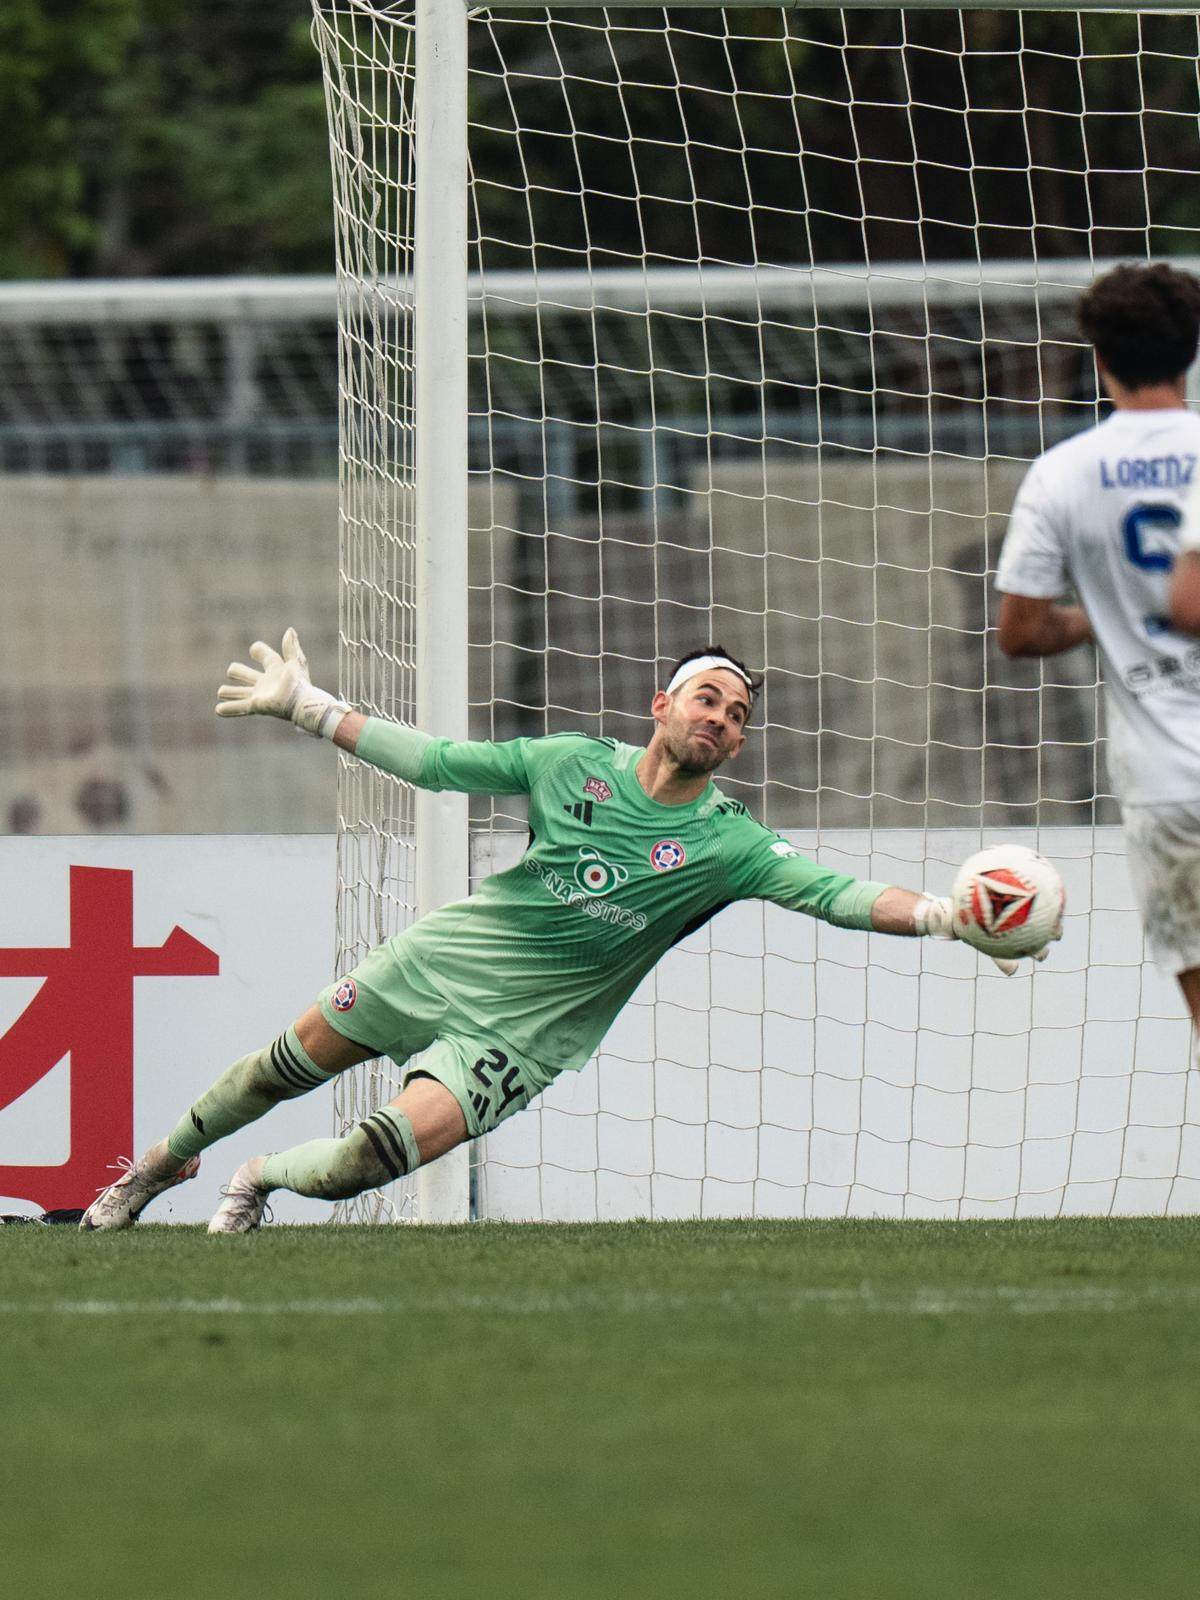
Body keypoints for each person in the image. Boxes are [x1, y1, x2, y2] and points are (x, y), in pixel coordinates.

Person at [82, 633, 1054, 1234]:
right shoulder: (569, 764)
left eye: (738, 713)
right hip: (439, 962)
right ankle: (157, 1168)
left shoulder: (729, 843)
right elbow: (439, 763)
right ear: (661, 706)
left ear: (740, 743)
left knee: (361, 1164)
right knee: (273, 1070)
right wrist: (312, 707)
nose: (721, 716)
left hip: (520, 1038)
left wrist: (941, 916)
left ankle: (256, 1178)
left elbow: (836, 892)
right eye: (708, 697)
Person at [995, 261, 1200, 1037]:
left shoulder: (1059, 476)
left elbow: (1021, 632)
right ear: (1190, 352)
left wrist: (1100, 619)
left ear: (1100, 359)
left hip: (1166, 785)